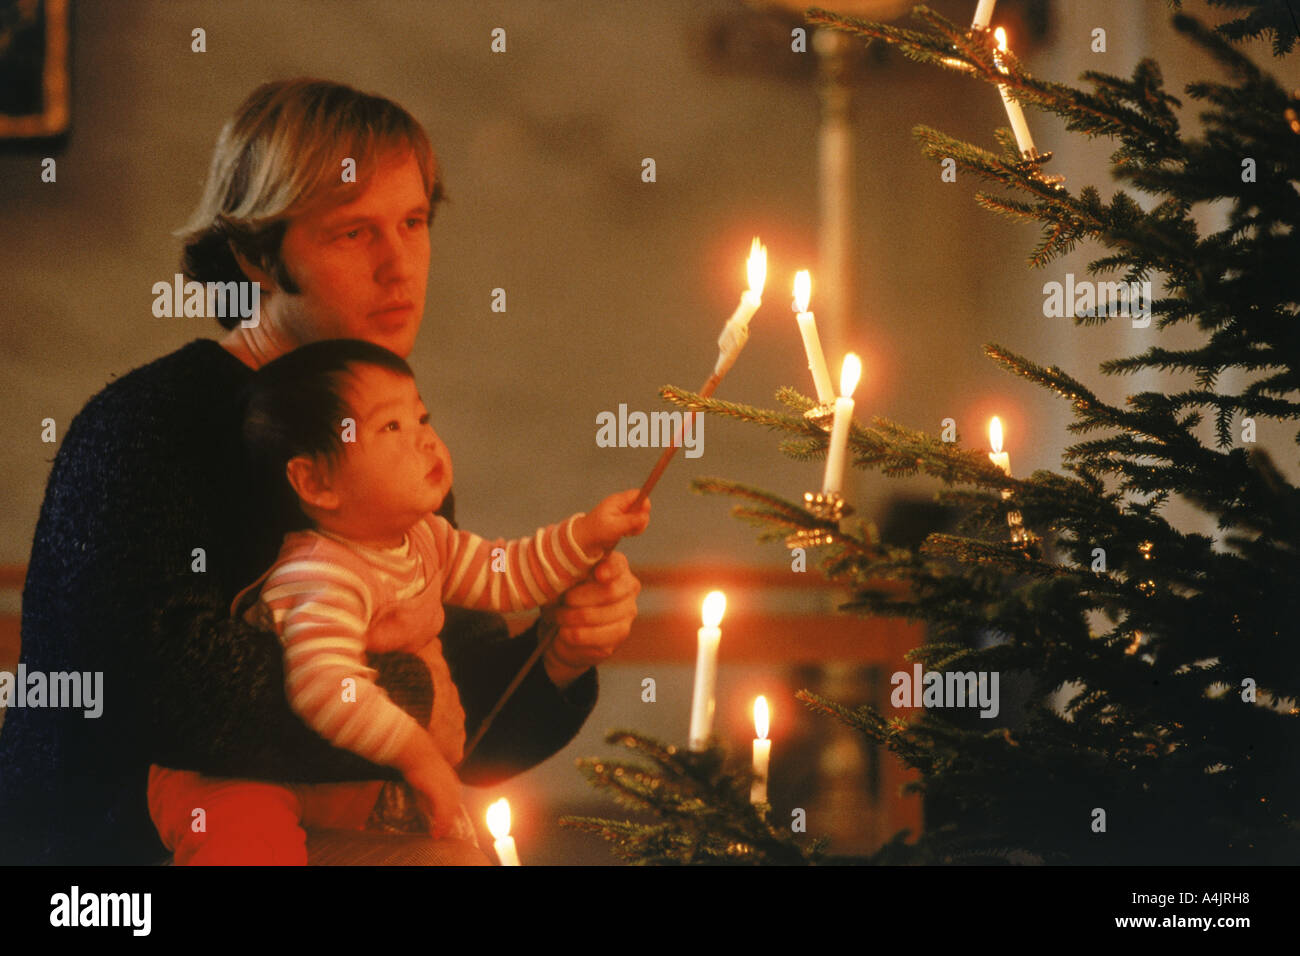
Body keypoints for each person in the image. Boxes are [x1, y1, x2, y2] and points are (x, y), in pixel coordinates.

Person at [0, 78, 643, 865]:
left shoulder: (385, 427)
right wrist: (409, 699)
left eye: (413, 223)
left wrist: (559, 654)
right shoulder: (149, 424)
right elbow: (169, 694)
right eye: (353, 233)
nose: (399, 266)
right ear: (256, 256)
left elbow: (462, 733)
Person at [147, 340, 650, 863]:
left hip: (333, 777)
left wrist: (588, 536)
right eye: (391, 428)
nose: (426, 442)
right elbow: (326, 685)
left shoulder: (427, 539)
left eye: (422, 418)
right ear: (315, 481)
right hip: (230, 778)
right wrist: (417, 754)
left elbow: (506, 573)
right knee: (252, 849)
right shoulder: (318, 572)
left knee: (439, 844)